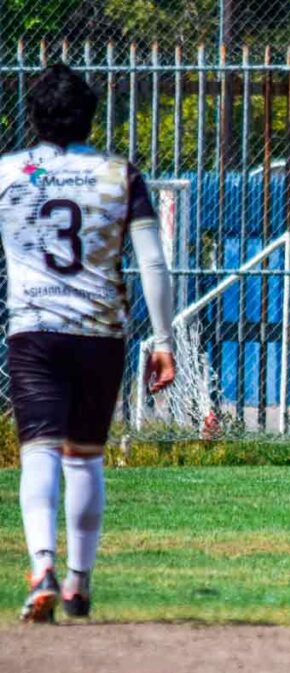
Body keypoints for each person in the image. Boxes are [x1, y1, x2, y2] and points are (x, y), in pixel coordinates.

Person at [1, 65, 176, 622]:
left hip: (33, 328)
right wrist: (164, 338)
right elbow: (152, 260)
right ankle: (79, 582)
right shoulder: (118, 174)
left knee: (38, 450)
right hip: (100, 330)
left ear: (33, 116)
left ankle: (41, 566)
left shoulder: (6, 173)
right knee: (84, 456)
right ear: (90, 115)